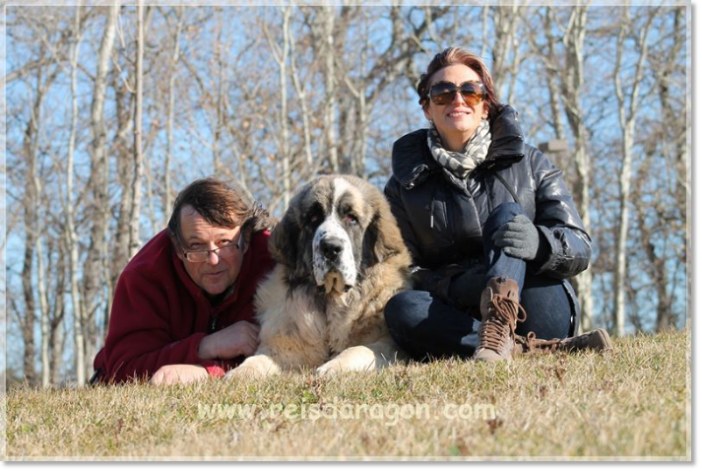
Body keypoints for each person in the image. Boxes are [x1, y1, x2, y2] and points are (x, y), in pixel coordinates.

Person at [383, 47, 611, 362]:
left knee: (508, 214)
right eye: (442, 94)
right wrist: (462, 287)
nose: (457, 100)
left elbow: (580, 246)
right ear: (427, 109)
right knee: (400, 308)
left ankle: (500, 333)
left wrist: (541, 244)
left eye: (470, 92)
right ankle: (530, 349)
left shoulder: (531, 162)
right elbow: (404, 269)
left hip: (534, 300)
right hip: (458, 313)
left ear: (486, 104)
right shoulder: (403, 186)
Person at [92, 178, 276, 385]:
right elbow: (123, 369)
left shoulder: (274, 262)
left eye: (224, 243)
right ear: (178, 248)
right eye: (196, 246)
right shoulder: (145, 276)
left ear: (246, 239)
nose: (213, 260)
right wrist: (206, 346)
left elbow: (292, 352)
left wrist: (206, 372)